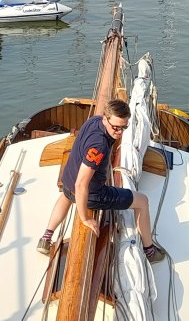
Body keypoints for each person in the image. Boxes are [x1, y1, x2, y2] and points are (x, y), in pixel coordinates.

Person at [36, 99, 164, 263]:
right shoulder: (100, 146)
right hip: (92, 195)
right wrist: (85, 218)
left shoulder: (93, 121)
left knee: (66, 196)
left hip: (67, 183)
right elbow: (81, 184)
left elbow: (76, 181)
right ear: (105, 118)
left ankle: (46, 237)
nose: (119, 133)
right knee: (143, 201)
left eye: (124, 127)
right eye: (116, 128)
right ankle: (150, 251)